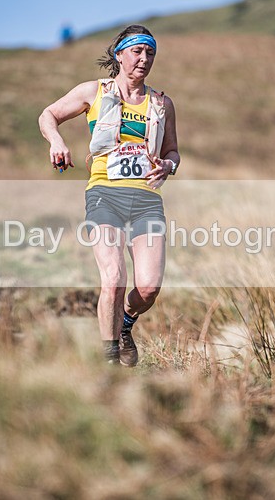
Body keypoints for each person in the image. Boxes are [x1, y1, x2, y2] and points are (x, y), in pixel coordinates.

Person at [38, 25, 180, 367]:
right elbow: (48, 115)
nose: (144, 59)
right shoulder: (94, 91)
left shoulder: (162, 103)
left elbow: (174, 151)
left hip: (146, 198)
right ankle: (109, 360)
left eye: (150, 53)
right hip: (104, 194)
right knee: (114, 279)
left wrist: (168, 165)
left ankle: (126, 325)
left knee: (148, 288)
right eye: (137, 52)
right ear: (119, 55)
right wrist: (57, 142)